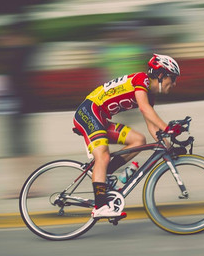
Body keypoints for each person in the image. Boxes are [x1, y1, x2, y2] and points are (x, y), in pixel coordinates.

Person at [73, 53, 181, 218]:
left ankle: (104, 174)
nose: (174, 84)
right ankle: (100, 206)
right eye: (172, 78)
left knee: (139, 140)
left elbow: (151, 124)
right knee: (102, 155)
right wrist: (168, 127)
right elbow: (145, 109)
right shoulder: (141, 80)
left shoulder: (148, 94)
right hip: (89, 112)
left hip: (100, 118)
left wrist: (168, 146)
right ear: (160, 75)